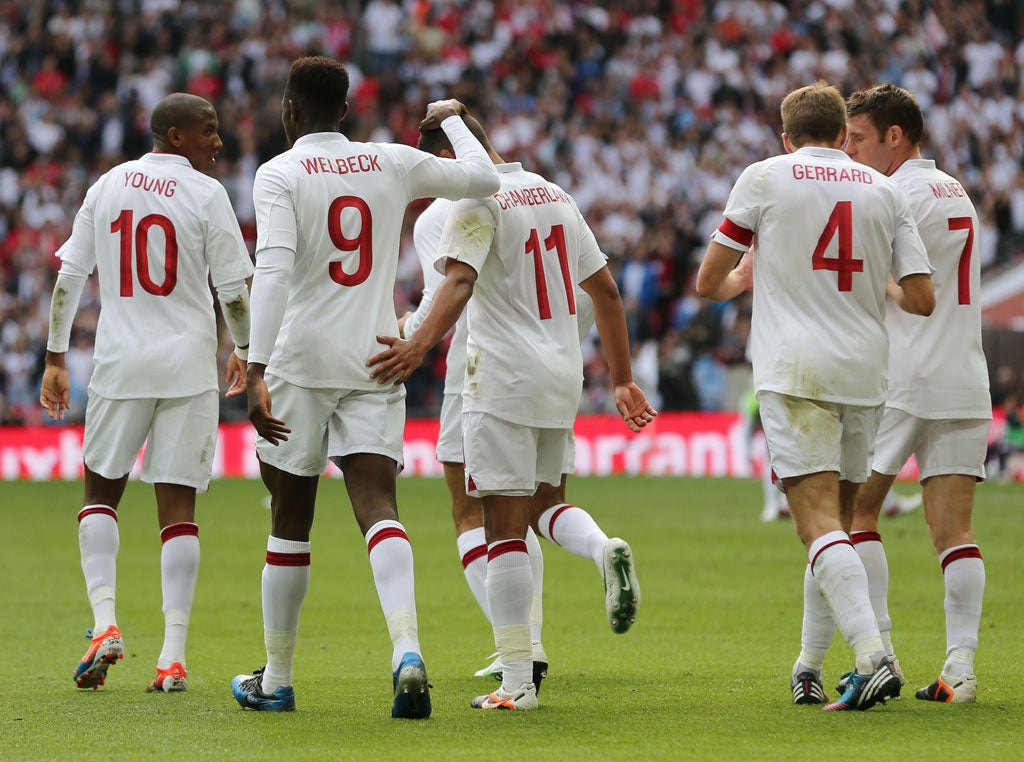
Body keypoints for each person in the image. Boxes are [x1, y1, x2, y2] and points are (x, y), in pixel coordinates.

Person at [230, 56, 500, 718]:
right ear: (346, 112)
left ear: (290, 111)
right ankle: (407, 651)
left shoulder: (279, 172)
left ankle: (279, 679)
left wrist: (255, 365)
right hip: (378, 355)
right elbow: (484, 179)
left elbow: (272, 271)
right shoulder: (390, 160)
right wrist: (454, 120)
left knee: (290, 516)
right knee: (379, 503)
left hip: (300, 360)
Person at [368, 114, 656, 711]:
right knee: (547, 503)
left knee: (500, 526)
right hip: (562, 375)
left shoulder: (469, 203)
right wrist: (622, 379)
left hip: (498, 377)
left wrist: (414, 345)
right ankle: (602, 549)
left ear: (454, 153)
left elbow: (454, 286)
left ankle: (518, 681)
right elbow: (604, 290)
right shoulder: (555, 194)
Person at [695, 82, 935, 712]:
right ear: (840, 134)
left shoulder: (765, 176)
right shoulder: (884, 190)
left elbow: (708, 281)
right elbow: (922, 296)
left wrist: (749, 276)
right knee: (840, 527)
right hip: (865, 370)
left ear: (786, 136)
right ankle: (808, 665)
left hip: (795, 369)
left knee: (816, 524)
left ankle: (874, 656)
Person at [39, 93, 254, 693]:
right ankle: (173, 657)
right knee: (178, 511)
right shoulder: (208, 195)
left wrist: (56, 357)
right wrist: (245, 350)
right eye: (208, 130)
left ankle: (105, 624)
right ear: (174, 135)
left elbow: (68, 280)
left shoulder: (107, 186)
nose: (218, 140)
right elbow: (234, 290)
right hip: (187, 366)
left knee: (99, 495)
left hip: (121, 363)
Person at [842, 83, 991, 703]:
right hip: (964, 375)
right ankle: (960, 668)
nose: (848, 152)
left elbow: (904, 288)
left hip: (904, 375)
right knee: (952, 531)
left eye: (857, 138)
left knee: (853, 513)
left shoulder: (890, 193)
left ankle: (880, 653)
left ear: (893, 137)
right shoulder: (956, 190)